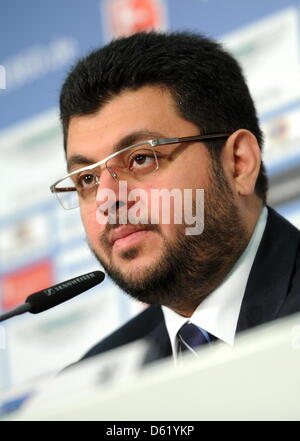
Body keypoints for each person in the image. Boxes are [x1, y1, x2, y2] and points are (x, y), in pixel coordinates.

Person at [51, 31, 300, 365]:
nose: (107, 202)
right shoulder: (96, 380)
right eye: (87, 179)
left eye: (140, 158)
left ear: (238, 164)